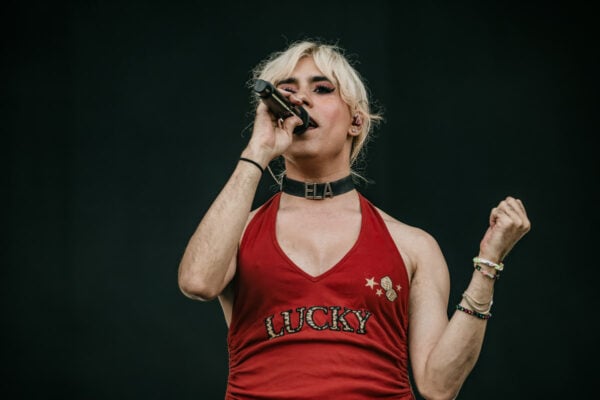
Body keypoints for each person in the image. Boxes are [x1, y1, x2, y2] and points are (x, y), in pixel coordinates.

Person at [178, 40, 531, 400]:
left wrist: (488, 264)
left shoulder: (412, 245)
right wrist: (258, 151)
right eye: (288, 91)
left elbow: (438, 386)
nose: (301, 100)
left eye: (321, 88)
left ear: (356, 121)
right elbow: (197, 282)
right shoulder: (239, 232)